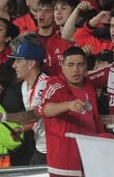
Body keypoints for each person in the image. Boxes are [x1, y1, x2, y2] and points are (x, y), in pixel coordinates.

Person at [39, 47, 103, 177]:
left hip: (90, 155)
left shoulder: (89, 84)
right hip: (65, 161)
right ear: (62, 67)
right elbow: (44, 109)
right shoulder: (55, 86)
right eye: (70, 65)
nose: (76, 70)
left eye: (80, 65)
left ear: (86, 66)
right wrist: (68, 105)